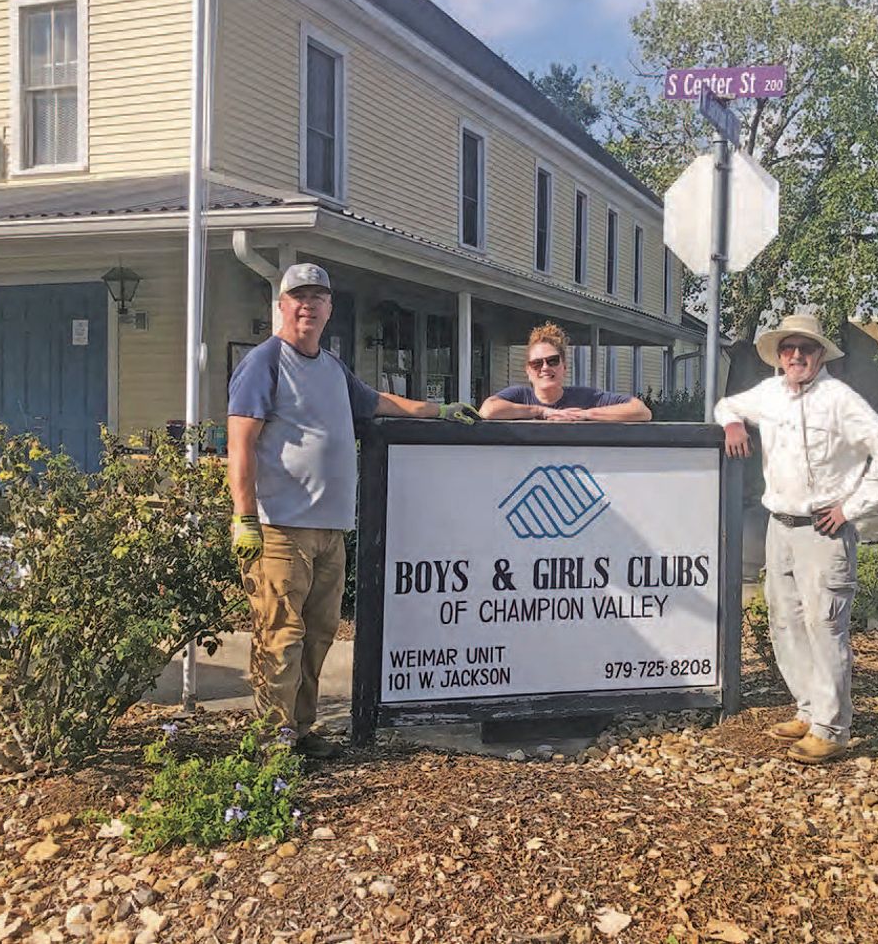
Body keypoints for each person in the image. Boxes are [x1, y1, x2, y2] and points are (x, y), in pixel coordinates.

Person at [227, 262, 479, 758]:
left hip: (330, 528)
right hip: (279, 527)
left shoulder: (332, 367)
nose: (307, 306)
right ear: (281, 305)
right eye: (297, 297)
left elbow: (377, 402)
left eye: (316, 298)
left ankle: (300, 731)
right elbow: (240, 443)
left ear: (329, 309)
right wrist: (243, 516)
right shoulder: (265, 362)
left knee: (318, 635)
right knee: (280, 638)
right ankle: (269, 749)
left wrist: (439, 410)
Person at [715, 313, 878, 765]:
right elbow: (727, 406)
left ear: (820, 355)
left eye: (806, 348)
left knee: (825, 628)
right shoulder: (770, 393)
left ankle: (832, 728)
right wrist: (733, 424)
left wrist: (850, 509)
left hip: (824, 530)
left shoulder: (840, 399)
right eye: (788, 348)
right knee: (785, 622)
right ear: (778, 355)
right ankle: (808, 709)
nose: (796, 356)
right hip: (778, 525)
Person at [478, 322, 651, 422]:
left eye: (552, 361)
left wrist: (584, 414)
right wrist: (542, 412)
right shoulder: (519, 395)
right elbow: (488, 410)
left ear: (564, 367)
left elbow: (641, 410)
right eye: (537, 363)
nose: (545, 367)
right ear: (528, 371)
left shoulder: (586, 398)